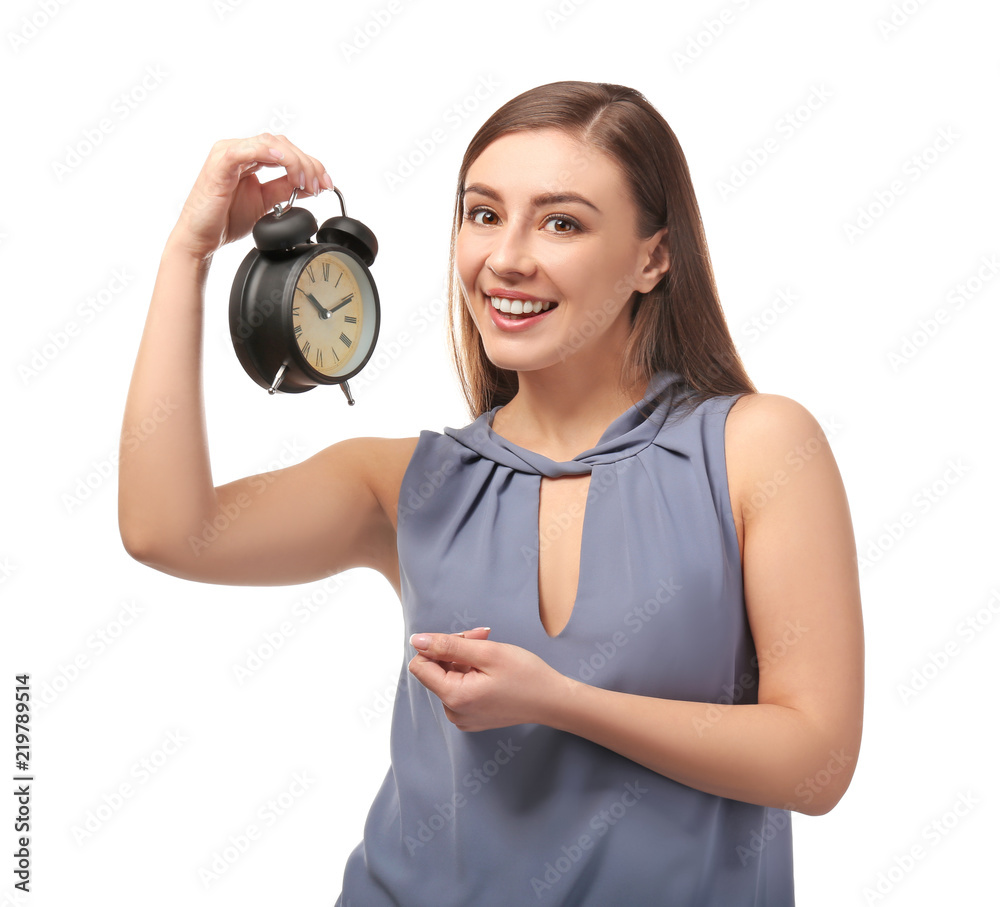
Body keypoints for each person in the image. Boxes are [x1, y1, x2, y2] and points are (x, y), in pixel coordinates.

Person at [118, 81, 864, 906]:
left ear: (654, 256)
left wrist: (563, 701)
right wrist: (188, 253)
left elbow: (817, 761)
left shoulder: (756, 447)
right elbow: (165, 529)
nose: (506, 257)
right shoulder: (407, 482)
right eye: (482, 214)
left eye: (562, 221)